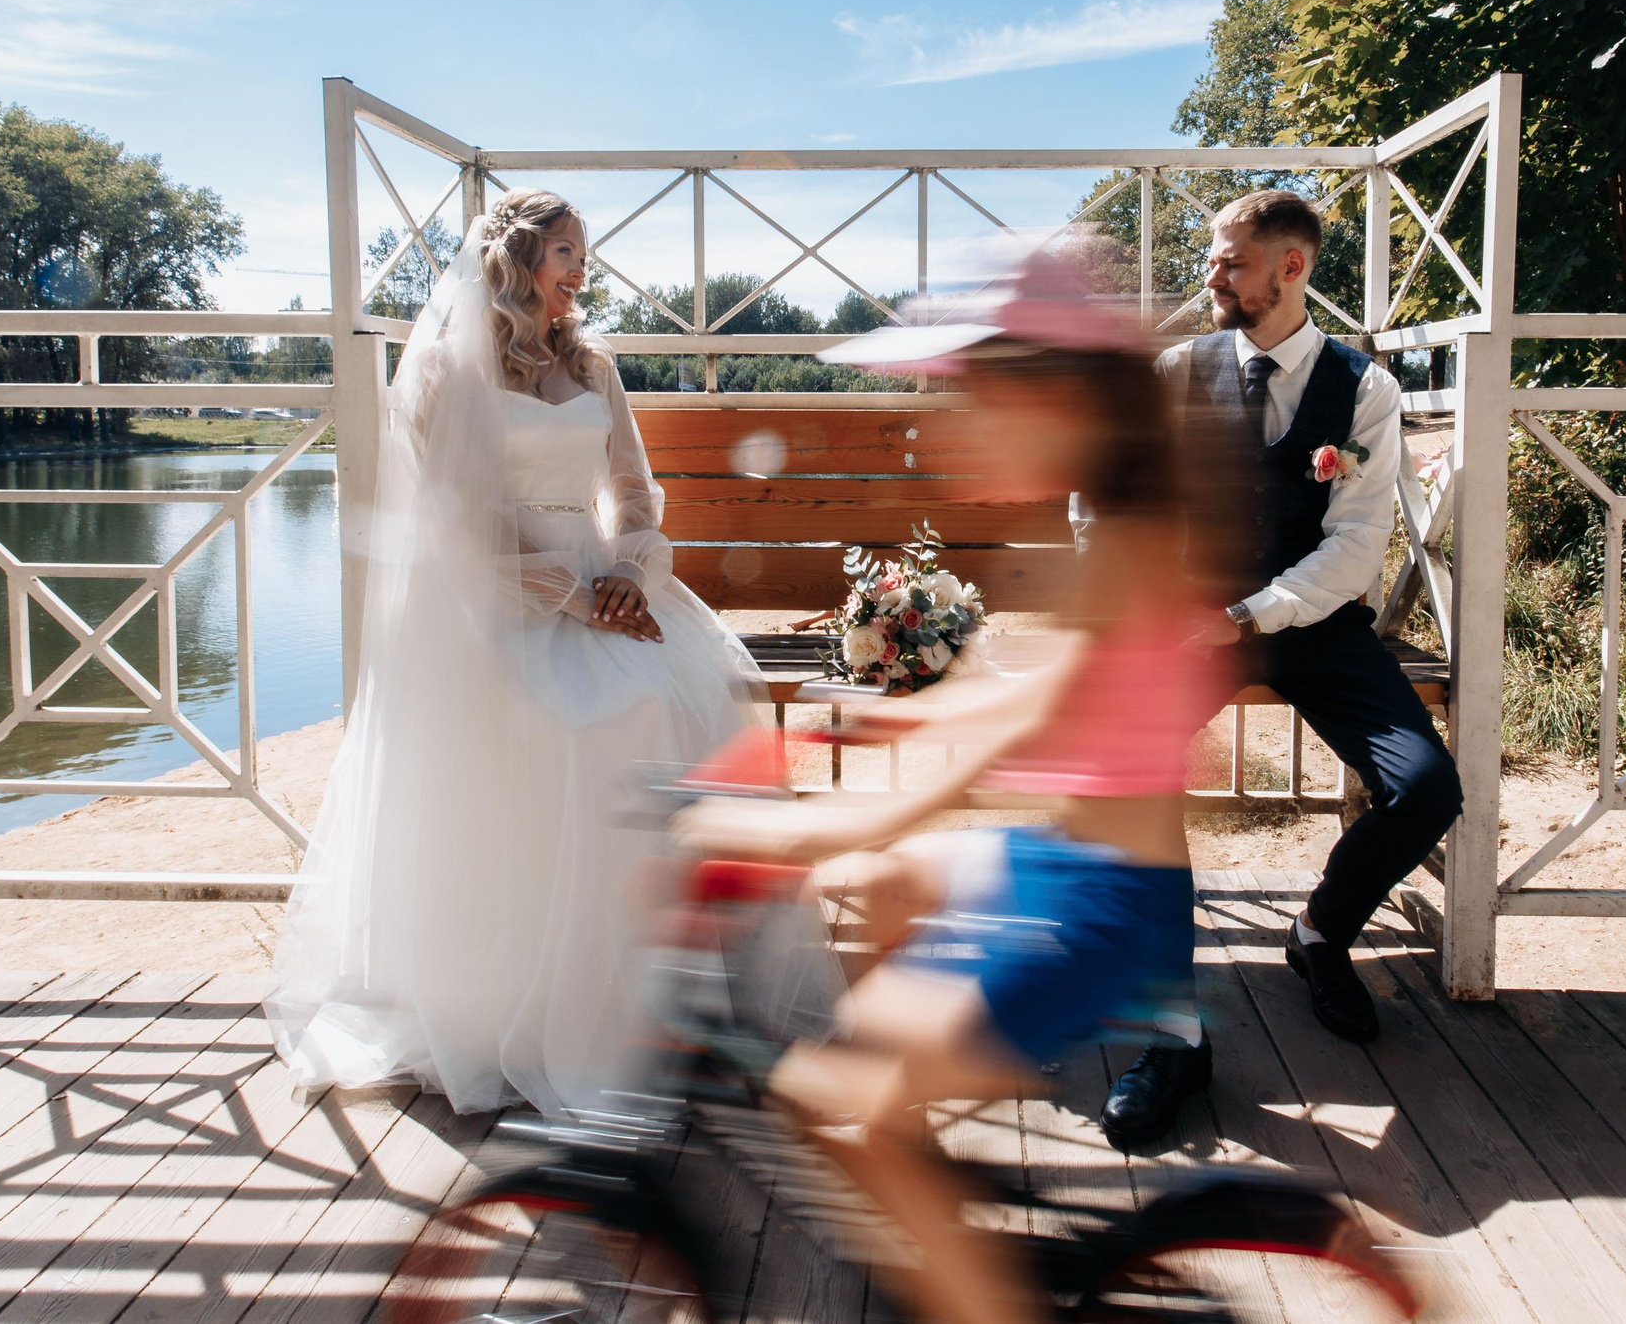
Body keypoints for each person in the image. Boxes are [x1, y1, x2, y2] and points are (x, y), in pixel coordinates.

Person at [677, 252, 1220, 1324]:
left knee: (838, 1115)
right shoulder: (1113, 520)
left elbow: (1012, 734)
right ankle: (927, 1175)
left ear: (1059, 397)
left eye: (973, 394)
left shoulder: (1133, 543)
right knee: (885, 888)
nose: (949, 419)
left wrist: (824, 825)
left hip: (1102, 906)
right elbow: (1053, 694)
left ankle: (963, 1275)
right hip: (1066, 863)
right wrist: (905, 713)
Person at [267, 188, 764, 1115]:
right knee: (575, 722)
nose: (584, 270)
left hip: (603, 592)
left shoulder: (595, 363)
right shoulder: (451, 373)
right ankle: (528, 1008)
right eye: (569, 251)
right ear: (521, 259)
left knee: (680, 702)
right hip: (496, 604)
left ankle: (646, 1002)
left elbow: (636, 493)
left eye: (587, 251)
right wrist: (574, 597)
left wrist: (626, 576)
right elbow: (462, 524)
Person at [1099, 186, 1462, 1148]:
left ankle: (1320, 934)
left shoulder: (1365, 390)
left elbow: (1354, 546)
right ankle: (1173, 1032)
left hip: (1310, 621)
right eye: (1214, 257)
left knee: (1427, 788)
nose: (1211, 274)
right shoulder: (1180, 373)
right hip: (1189, 619)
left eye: (1229, 260)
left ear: (1291, 268)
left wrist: (1247, 615)